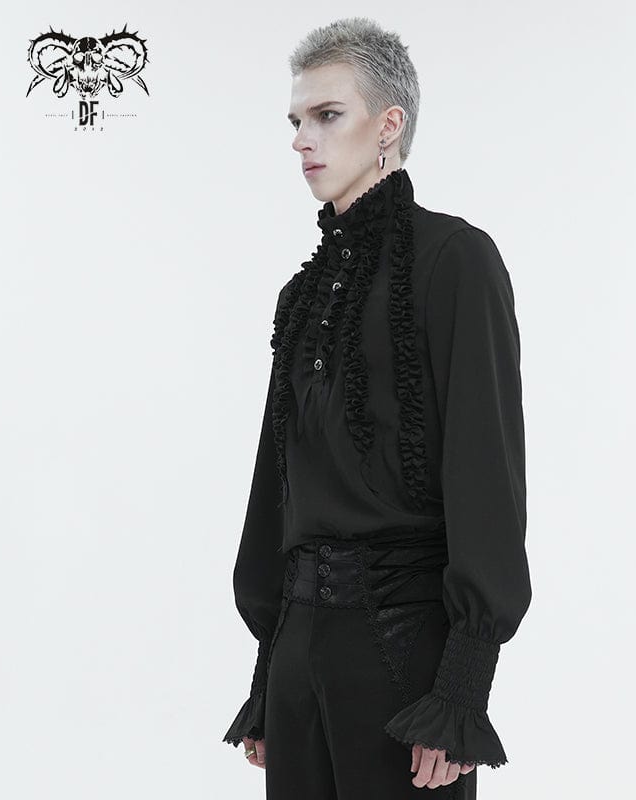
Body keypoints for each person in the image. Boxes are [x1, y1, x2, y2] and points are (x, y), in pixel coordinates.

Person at [222, 16, 532, 799]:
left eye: (327, 115)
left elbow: (486, 473)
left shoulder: (455, 261)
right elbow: (278, 484)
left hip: (403, 652)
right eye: (296, 121)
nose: (303, 140)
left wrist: (462, 689)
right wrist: (269, 668)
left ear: (389, 125)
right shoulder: (302, 294)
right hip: (298, 656)